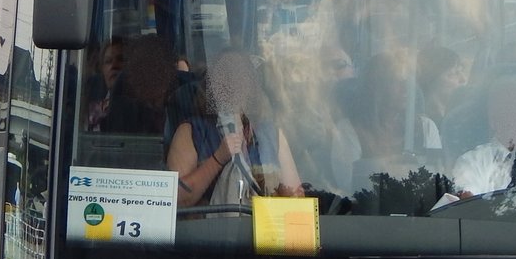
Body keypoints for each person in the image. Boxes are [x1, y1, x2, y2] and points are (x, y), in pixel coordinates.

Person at [166, 48, 302, 208]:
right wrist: (218, 158)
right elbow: (174, 199)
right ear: (211, 87)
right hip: (208, 230)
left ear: (251, 87)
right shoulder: (191, 131)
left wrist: (273, 186)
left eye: (239, 77)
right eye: (223, 77)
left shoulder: (271, 134)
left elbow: (297, 202)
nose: (231, 84)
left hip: (264, 228)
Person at [331, 51, 442, 193]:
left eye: (408, 82)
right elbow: (351, 189)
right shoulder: (348, 131)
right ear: (377, 86)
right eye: (397, 81)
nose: (405, 88)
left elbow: (435, 183)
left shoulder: (426, 127)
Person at [84, 37, 124, 131]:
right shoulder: (90, 106)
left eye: (120, 59)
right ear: (102, 69)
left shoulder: (142, 107)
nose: (114, 66)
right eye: (108, 61)